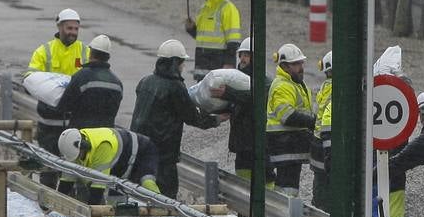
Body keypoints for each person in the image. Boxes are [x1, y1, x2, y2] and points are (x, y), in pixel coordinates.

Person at [130, 39, 224, 199]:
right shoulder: (175, 87)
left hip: (138, 149)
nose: (183, 67)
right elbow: (193, 118)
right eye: (182, 63)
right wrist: (217, 119)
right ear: (175, 63)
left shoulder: (145, 82)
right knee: (166, 199)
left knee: (139, 196)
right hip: (164, 156)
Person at [29, 8, 89, 193]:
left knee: (74, 170)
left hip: (74, 123)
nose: (72, 32)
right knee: (48, 169)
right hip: (49, 124)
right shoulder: (44, 51)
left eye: (75, 29)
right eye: (69, 28)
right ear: (59, 27)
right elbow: (31, 78)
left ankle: (69, 212)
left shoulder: (85, 51)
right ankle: (46, 207)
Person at [57, 126, 161, 204]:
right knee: (116, 204)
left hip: (143, 151)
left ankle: (165, 212)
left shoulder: (103, 146)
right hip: (120, 164)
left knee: (147, 183)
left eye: (78, 155)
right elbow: (66, 181)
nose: (77, 159)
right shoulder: (74, 146)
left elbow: (97, 188)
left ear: (84, 146)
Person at [265, 43, 315, 196]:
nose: (301, 67)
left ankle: (285, 212)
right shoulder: (283, 86)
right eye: (296, 64)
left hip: (290, 144)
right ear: (285, 66)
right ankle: (283, 214)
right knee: (287, 187)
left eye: (301, 63)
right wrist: (314, 121)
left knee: (290, 185)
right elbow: (287, 116)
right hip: (284, 144)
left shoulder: (295, 83)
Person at [226, 38, 275, 190]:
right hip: (242, 143)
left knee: (266, 180)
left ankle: (269, 211)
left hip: (260, 142)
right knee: (243, 184)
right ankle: (244, 212)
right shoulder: (235, 79)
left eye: (246, 55)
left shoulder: (265, 81)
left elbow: (254, 97)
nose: (242, 59)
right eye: (241, 55)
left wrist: (227, 93)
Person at [54, 34, 121, 129]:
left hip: (82, 135)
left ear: (90, 52)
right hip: (106, 136)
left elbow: (64, 106)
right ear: (108, 57)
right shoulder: (117, 83)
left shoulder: (81, 76)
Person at [184, 0, 242, 74]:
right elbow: (203, 38)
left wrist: (229, 63)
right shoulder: (204, 9)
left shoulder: (228, 8)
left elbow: (233, 40)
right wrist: (192, 29)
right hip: (202, 66)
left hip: (219, 67)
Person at [310, 51, 334, 211]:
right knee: (327, 183)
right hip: (326, 141)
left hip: (318, 142)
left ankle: (320, 212)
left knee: (321, 182)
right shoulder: (336, 88)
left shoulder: (325, 88)